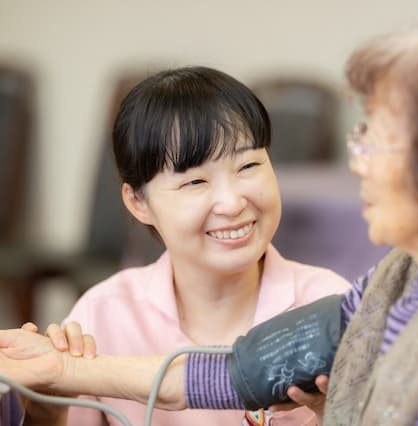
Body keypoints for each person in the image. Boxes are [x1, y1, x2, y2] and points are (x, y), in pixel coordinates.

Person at [0, 14, 418, 425]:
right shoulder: (393, 282)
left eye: (375, 140)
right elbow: (241, 371)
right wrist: (67, 370)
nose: (355, 163)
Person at [2, 66, 351, 426]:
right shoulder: (104, 315)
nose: (231, 203)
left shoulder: (326, 307)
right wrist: (49, 409)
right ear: (139, 202)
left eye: (248, 165)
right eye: (195, 181)